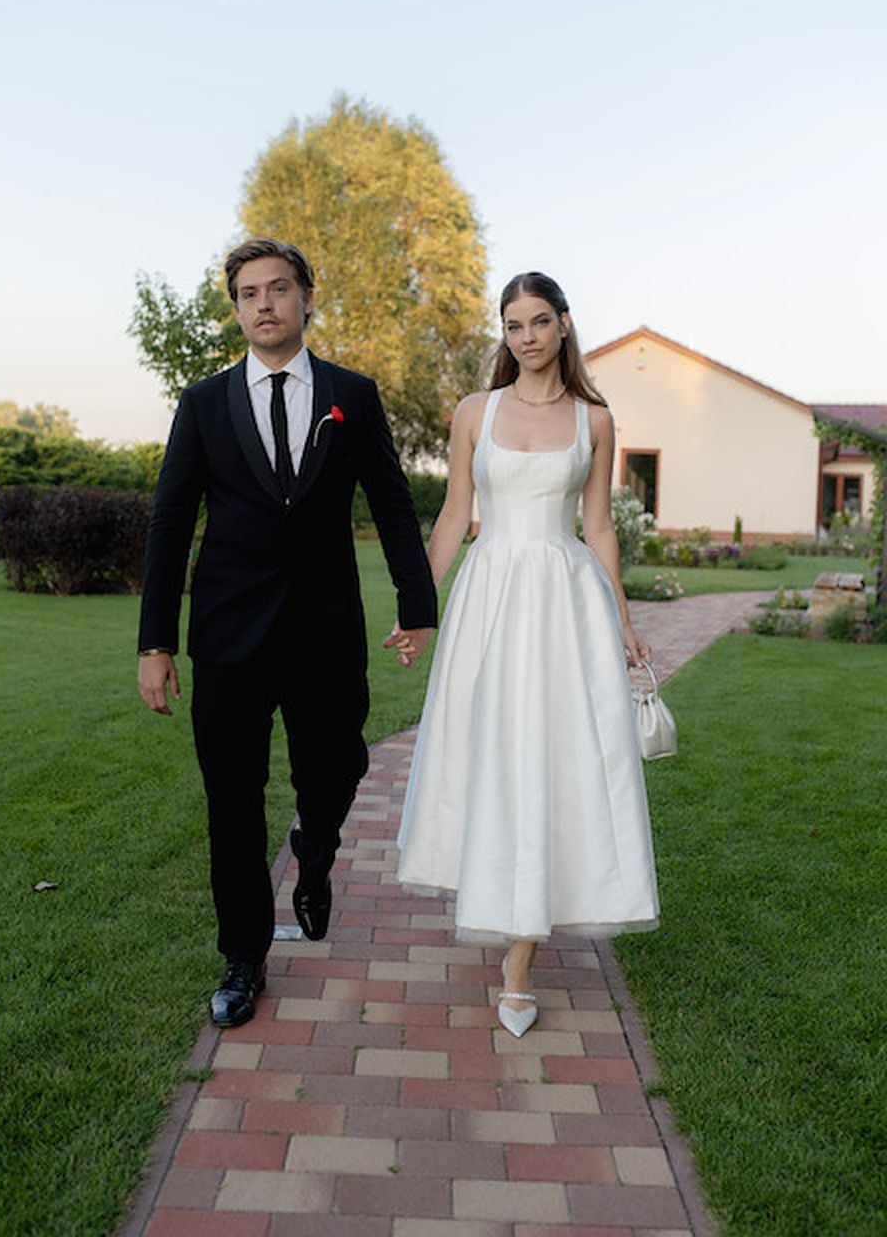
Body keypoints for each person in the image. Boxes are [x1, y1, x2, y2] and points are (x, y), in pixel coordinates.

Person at [137, 237, 436, 1028]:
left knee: (338, 761)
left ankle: (316, 845)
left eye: (278, 289)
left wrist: (418, 604)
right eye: (248, 293)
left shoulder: (354, 395)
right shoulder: (204, 404)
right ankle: (242, 958)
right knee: (231, 803)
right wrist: (155, 642)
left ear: (308, 297)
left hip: (324, 630)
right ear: (236, 308)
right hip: (229, 634)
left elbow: (394, 504)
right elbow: (170, 523)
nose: (263, 303)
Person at [393, 271, 660, 1037]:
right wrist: (420, 610)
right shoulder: (474, 412)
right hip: (489, 600)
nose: (528, 337)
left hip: (565, 603)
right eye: (513, 326)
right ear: (503, 335)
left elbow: (600, 526)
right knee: (491, 754)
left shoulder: (596, 420)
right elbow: (453, 515)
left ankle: (519, 960)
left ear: (564, 326)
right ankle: (499, 892)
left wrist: (623, 616)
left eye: (540, 322)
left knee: (555, 756)